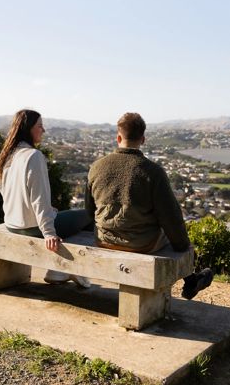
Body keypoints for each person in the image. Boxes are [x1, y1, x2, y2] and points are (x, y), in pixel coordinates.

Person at [85, 112, 212, 299]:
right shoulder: (152, 172)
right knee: (174, 238)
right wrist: (183, 247)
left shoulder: (97, 167)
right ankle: (191, 279)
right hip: (141, 244)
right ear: (143, 139)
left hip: (104, 239)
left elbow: (90, 210)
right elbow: (171, 217)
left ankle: (191, 279)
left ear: (118, 137)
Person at [0, 109, 91, 288]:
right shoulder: (34, 156)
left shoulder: (7, 156)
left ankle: (62, 269)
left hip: (13, 225)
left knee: (69, 219)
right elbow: (39, 199)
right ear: (28, 129)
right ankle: (65, 269)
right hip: (33, 227)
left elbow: (4, 192)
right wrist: (49, 233)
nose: (43, 130)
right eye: (39, 126)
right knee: (89, 215)